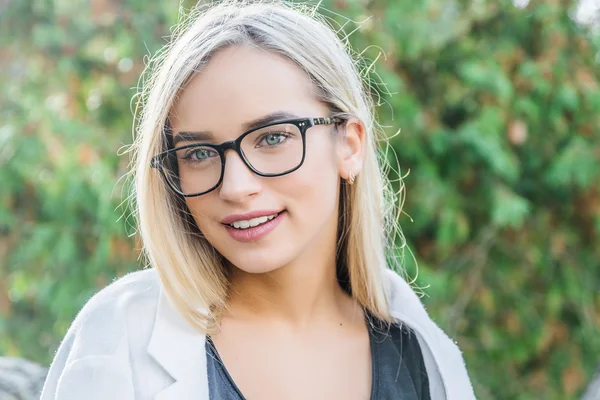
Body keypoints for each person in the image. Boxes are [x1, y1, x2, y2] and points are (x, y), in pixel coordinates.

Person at [40, 1, 475, 399]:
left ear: (349, 144)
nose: (235, 186)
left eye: (272, 137)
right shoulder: (118, 341)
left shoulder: (421, 358)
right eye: (199, 153)